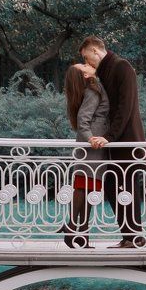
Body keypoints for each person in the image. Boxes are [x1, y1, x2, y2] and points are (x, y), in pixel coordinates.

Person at [74, 35, 146, 249]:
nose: (87, 62)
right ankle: (128, 237)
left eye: (87, 58)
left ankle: (135, 238)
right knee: (113, 188)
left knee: (127, 190)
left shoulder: (122, 67)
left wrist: (109, 137)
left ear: (95, 51)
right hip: (112, 144)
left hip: (127, 142)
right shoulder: (104, 71)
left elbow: (126, 107)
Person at [60, 64, 110, 249]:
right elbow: (83, 119)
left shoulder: (94, 87)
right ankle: (73, 227)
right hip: (92, 145)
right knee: (84, 186)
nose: (87, 64)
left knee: (88, 187)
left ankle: (81, 234)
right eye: (83, 66)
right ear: (84, 76)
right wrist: (91, 139)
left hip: (93, 144)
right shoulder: (92, 92)